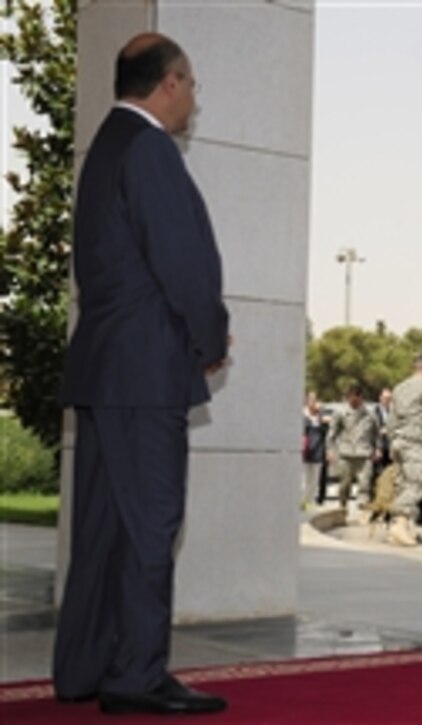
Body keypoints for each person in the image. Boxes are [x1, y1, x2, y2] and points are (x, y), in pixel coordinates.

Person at [52, 34, 229, 714]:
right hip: (145, 376)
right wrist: (208, 337)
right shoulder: (150, 148)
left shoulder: (107, 146)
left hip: (105, 372)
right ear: (172, 82)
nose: (194, 100)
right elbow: (180, 264)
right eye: (193, 85)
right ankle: (135, 674)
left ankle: (85, 667)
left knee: (104, 528)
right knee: (151, 522)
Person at [386, 354, 422, 546]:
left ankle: (407, 527)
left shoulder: (399, 387)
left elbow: (391, 420)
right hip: (414, 440)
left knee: (402, 483)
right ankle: (400, 522)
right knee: (415, 484)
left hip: (398, 441)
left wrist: (392, 441)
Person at [326, 384, 380, 521]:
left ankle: (363, 512)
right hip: (346, 454)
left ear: (361, 398)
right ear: (348, 398)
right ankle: (343, 507)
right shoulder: (341, 413)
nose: (354, 402)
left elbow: (376, 434)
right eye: (352, 399)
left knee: (364, 484)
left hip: (364, 454)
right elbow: (332, 433)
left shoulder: (370, 414)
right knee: (345, 485)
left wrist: (378, 448)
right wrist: (330, 450)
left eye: (357, 399)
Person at [302, 392, 328, 509]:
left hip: (318, 450)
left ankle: (311, 501)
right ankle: (303, 500)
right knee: (305, 479)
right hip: (306, 451)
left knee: (315, 479)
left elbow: (325, 433)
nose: (313, 403)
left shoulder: (320, 417)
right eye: (311, 400)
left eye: (315, 400)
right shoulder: (303, 416)